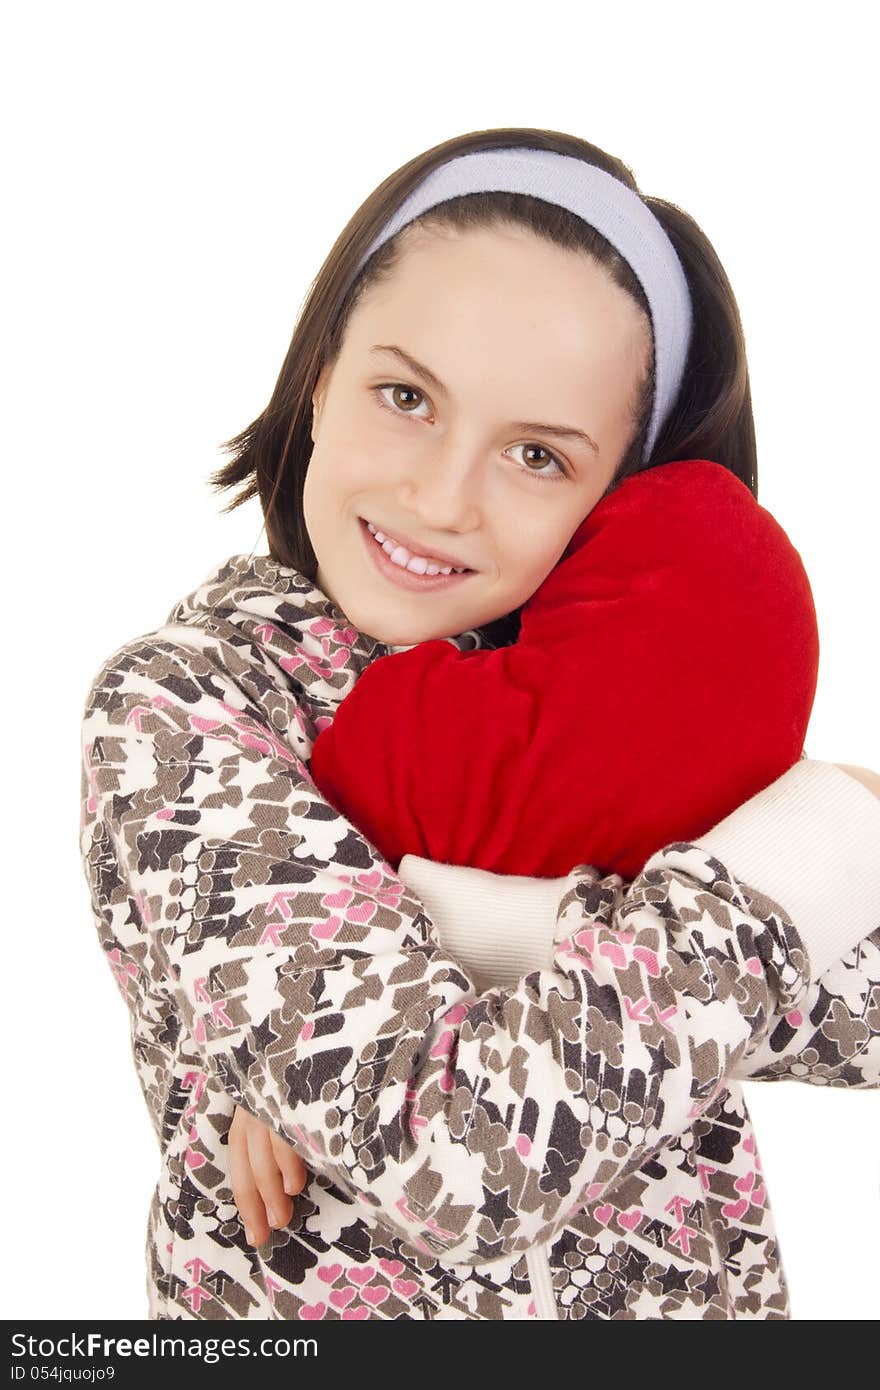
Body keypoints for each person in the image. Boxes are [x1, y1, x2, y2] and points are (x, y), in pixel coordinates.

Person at [79, 129, 880, 1320]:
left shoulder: (639, 720)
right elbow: (456, 1157)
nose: (442, 497)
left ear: (625, 488)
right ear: (320, 376)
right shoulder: (184, 703)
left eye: (537, 455)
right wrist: (816, 845)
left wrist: (473, 925)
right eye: (406, 397)